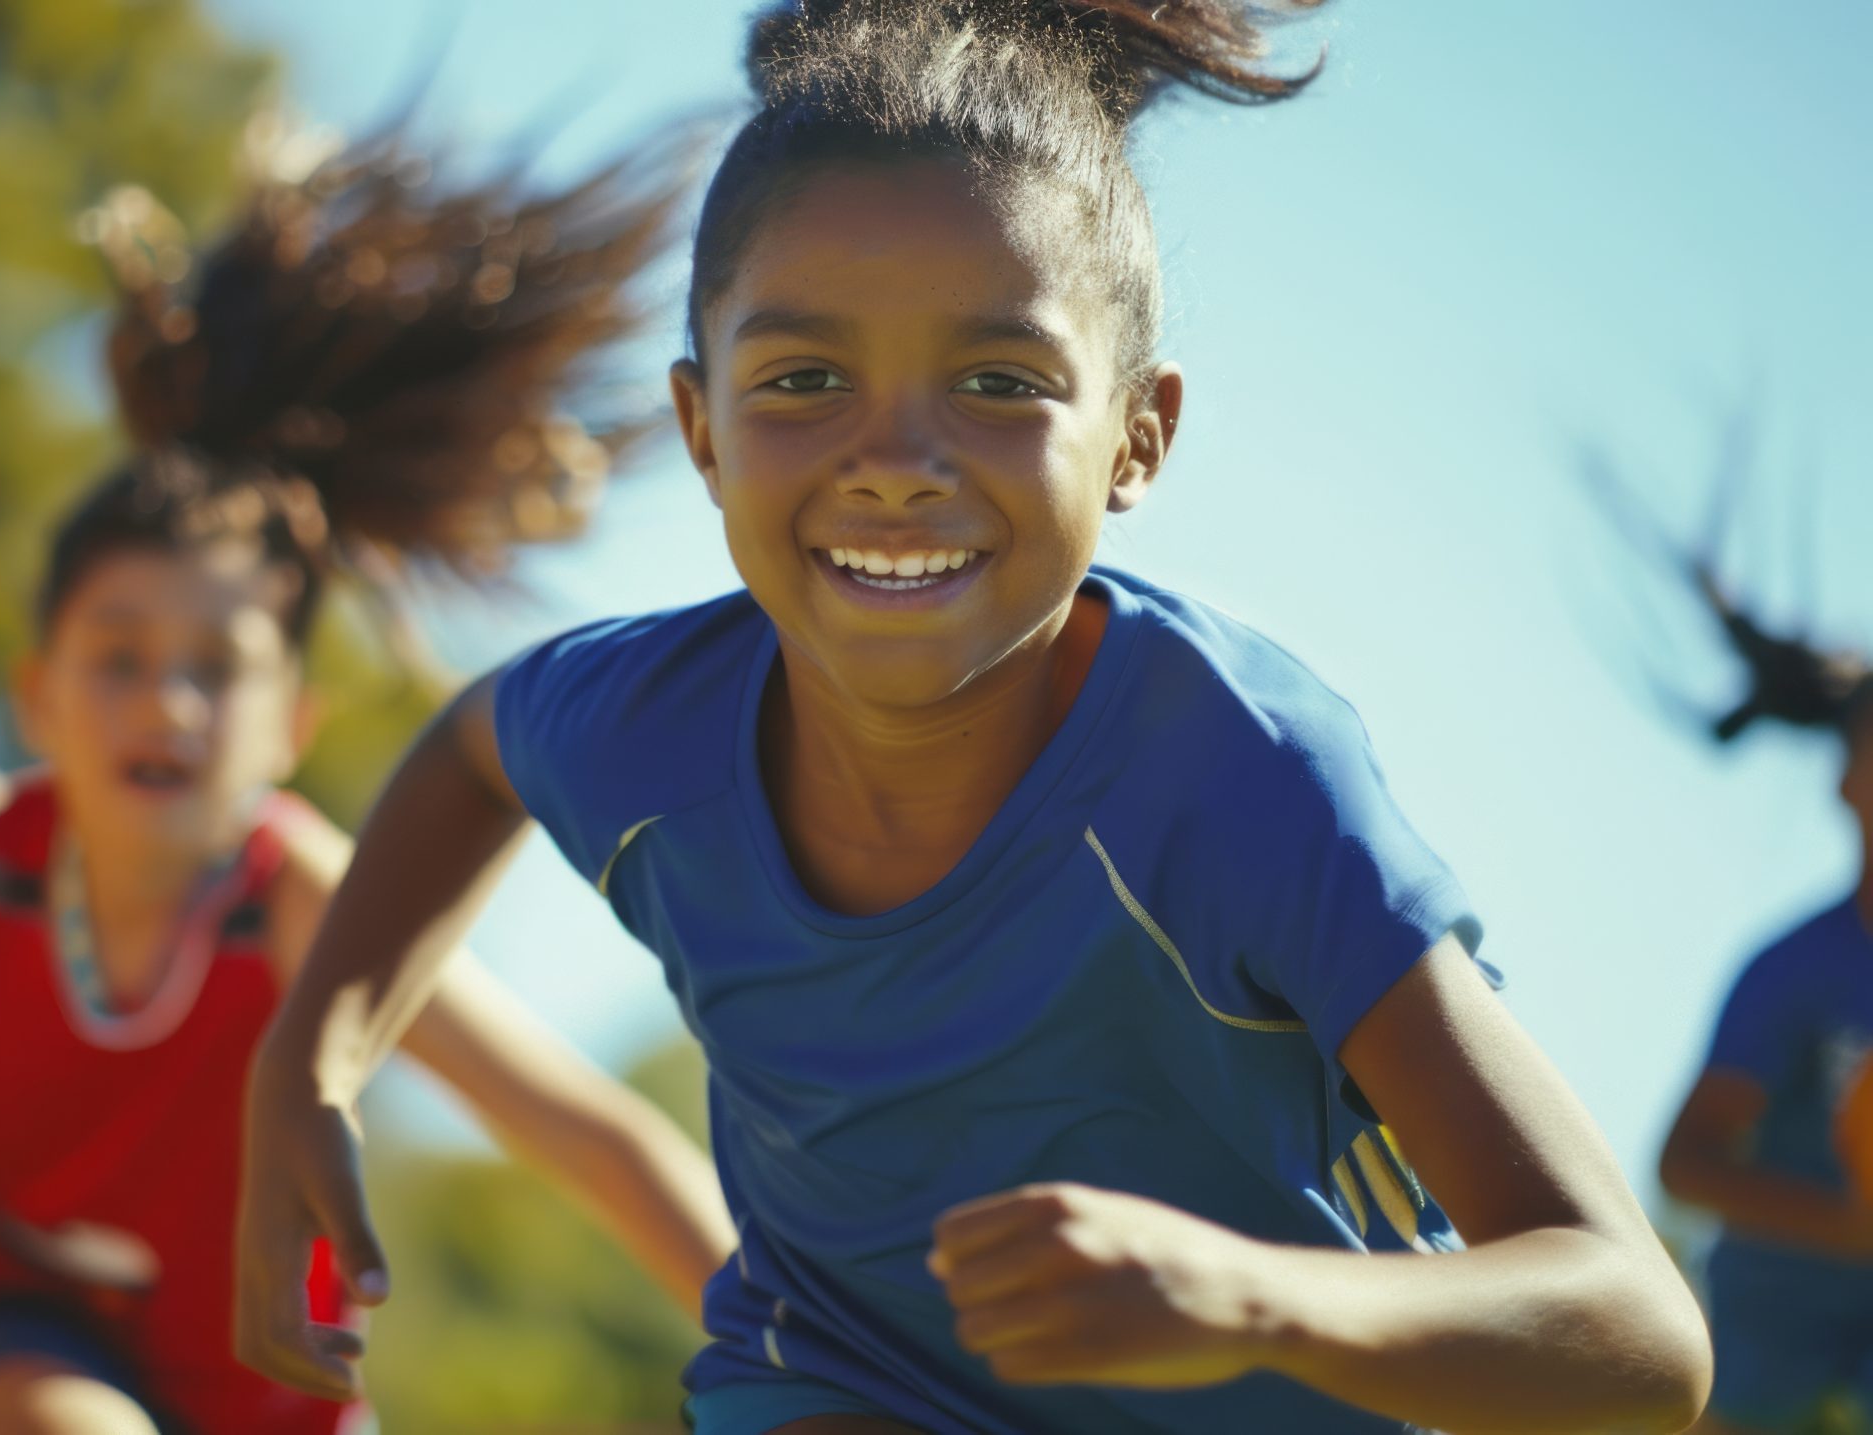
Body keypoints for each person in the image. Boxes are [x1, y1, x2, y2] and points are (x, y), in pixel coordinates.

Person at [233, 3, 1713, 1432]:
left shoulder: (1236, 778)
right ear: (701, 428)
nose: (894, 458)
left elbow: (1640, 1329)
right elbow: (474, 749)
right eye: (803, 378)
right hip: (839, 1377)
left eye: (999, 381)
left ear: (1138, 435)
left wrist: (1252, 1300)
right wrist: (308, 1069)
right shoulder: (646, 728)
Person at [0, 137, 735, 1435]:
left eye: (217, 669)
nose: (167, 702)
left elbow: (592, 1134)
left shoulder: (302, 898)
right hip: (17, 1344)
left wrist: (815, 1353)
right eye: (119, 658)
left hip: (276, 1393)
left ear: (293, 725)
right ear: (35, 693)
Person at [1648, 527, 1873, 1433]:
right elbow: (1685, 1164)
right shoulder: (1795, 973)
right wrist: (1848, 1229)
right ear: (1849, 783)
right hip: (1762, 1350)